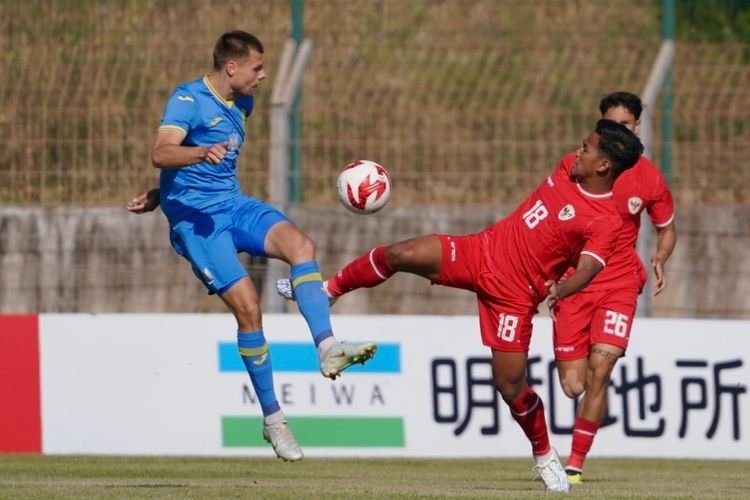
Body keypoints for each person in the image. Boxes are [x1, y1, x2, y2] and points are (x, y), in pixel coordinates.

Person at [277, 119, 645, 492]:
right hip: (480, 251)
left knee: (510, 386)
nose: (578, 150)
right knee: (400, 253)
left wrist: (564, 289)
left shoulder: (606, 220)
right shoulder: (568, 166)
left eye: (587, 148)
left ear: (603, 166)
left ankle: (545, 455)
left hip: (514, 297)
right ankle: (328, 291)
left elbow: (588, 267)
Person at [126, 30, 378, 462]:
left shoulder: (244, 104)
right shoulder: (187, 100)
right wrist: (185, 169)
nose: (263, 75)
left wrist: (161, 191)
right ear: (232, 67)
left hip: (233, 205)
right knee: (248, 307)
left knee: (301, 245)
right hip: (197, 224)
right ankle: (274, 421)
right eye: (257, 67)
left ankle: (327, 348)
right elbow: (162, 152)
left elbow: (193, 169)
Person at [552, 92, 676, 484]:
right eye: (608, 125)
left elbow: (666, 228)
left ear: (637, 127)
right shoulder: (582, 166)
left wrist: (660, 257)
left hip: (621, 282)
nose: (615, 132)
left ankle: (574, 464)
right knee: (574, 386)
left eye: (623, 125)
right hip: (576, 284)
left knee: (601, 369)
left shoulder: (649, 177)